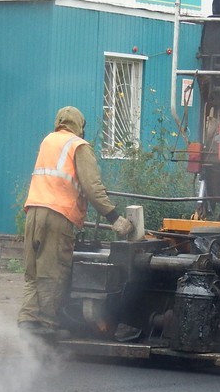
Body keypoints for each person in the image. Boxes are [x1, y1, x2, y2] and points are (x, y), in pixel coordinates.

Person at [18, 106, 134, 338]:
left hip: (33, 211)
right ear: (80, 126)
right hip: (58, 216)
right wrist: (114, 217)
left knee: (34, 270)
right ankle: (46, 325)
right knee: (53, 271)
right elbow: (92, 187)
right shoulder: (78, 146)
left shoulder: (48, 141)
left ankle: (28, 321)